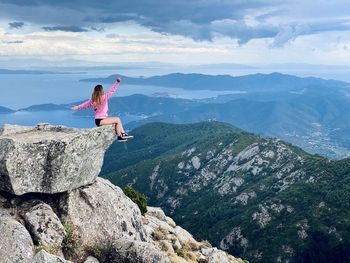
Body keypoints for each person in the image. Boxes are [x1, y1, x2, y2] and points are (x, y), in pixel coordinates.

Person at [71, 77, 133, 142]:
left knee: (117, 122)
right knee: (117, 119)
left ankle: (120, 136)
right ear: (102, 90)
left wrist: (77, 107)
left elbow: (84, 105)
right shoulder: (104, 97)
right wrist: (117, 82)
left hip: (97, 121)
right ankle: (122, 134)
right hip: (102, 120)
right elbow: (112, 90)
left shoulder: (92, 100)